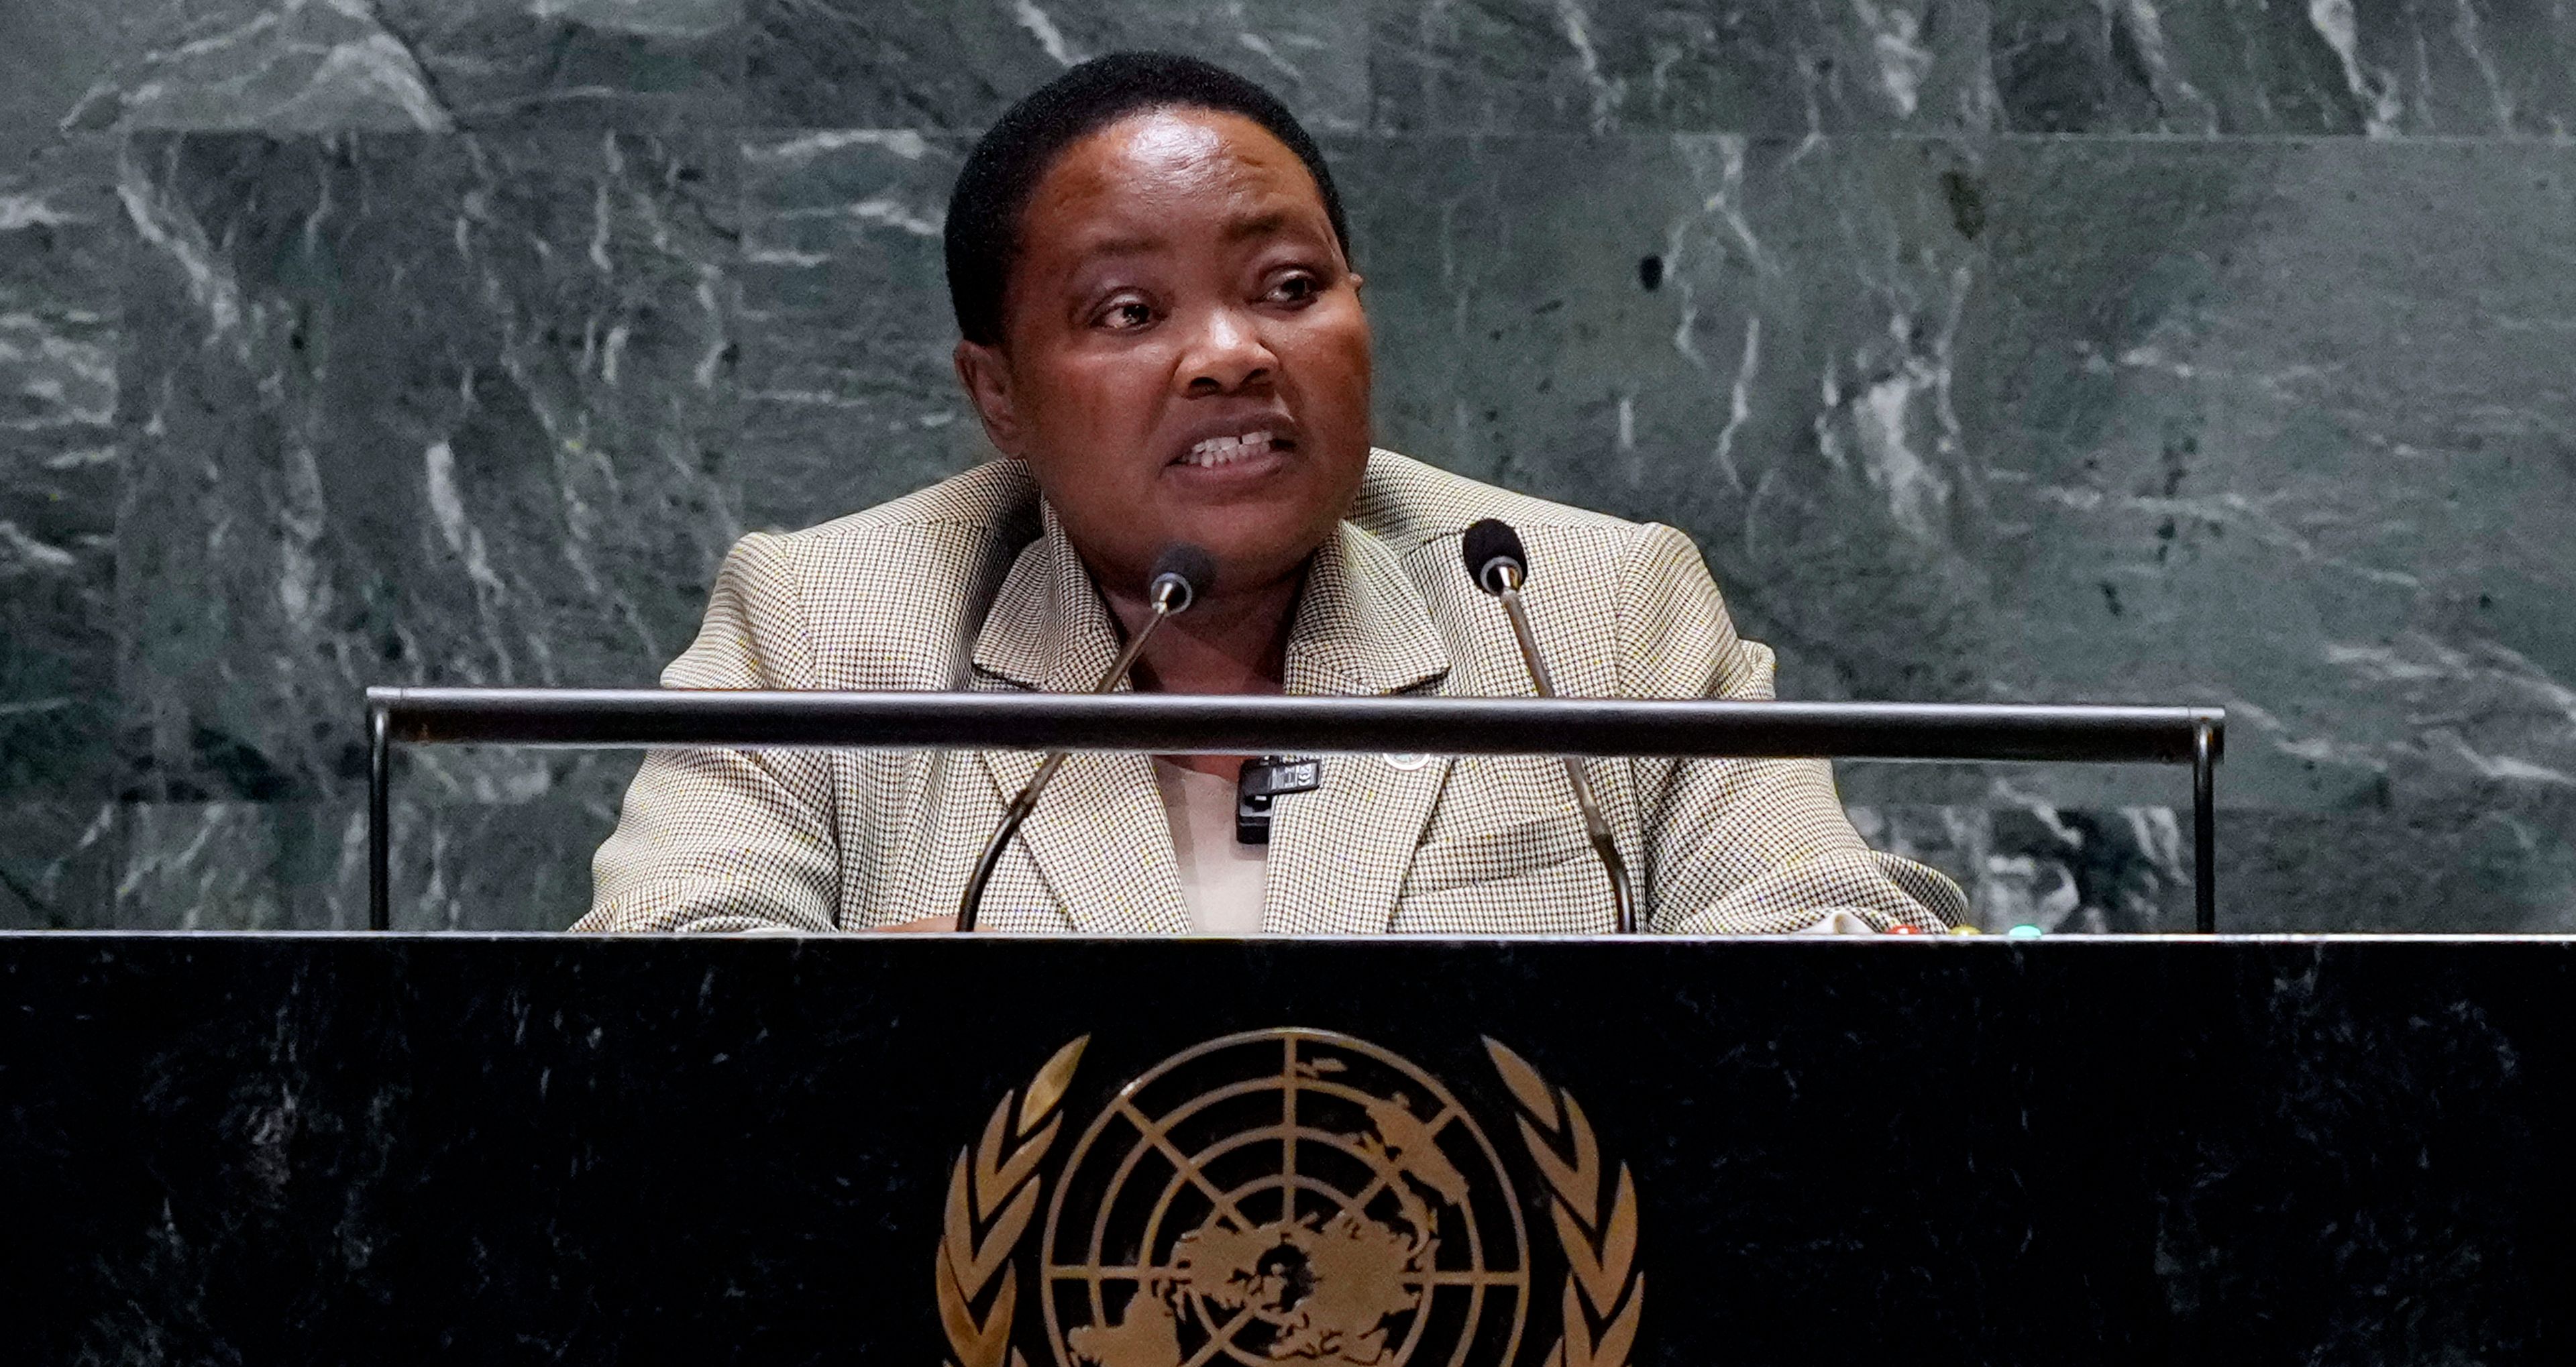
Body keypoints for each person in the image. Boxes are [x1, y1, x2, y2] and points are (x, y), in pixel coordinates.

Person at [575, 53, 1965, 936]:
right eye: (1127, 309)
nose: (1233, 353)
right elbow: (665, 971)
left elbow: (1817, 926)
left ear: (1361, 310)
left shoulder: (1586, 611)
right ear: (998, 394)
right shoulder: (824, 626)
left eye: (1289, 290)